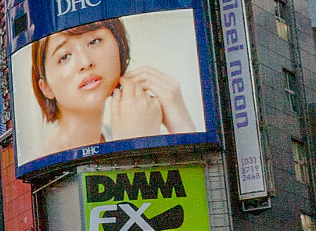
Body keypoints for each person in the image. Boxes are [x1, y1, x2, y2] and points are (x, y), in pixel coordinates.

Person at [29, 17, 196, 159]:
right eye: (64, 57)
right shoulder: (47, 163)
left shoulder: (128, 128)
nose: (85, 62)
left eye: (94, 41)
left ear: (119, 45)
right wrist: (133, 147)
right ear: (46, 88)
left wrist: (182, 126)